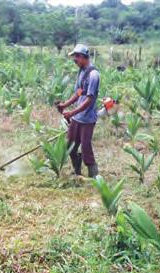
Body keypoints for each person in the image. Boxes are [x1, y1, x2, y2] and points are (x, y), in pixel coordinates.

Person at [57, 44, 100, 178]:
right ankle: (77, 173)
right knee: (71, 147)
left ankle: (94, 177)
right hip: (77, 118)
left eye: (76, 57)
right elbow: (79, 93)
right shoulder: (81, 72)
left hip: (87, 120)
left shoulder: (94, 75)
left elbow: (89, 100)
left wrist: (72, 113)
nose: (74, 60)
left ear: (83, 57)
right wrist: (65, 105)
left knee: (86, 149)